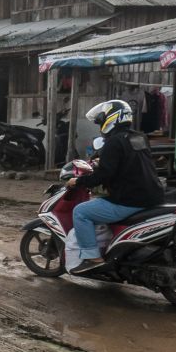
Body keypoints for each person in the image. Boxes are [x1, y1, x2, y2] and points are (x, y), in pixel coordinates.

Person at [65, 99, 164, 273]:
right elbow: (129, 160)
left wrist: (78, 182)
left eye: (102, 120)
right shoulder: (139, 137)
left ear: (112, 119)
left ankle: (92, 257)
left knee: (81, 212)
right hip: (153, 195)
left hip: (129, 200)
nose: (101, 124)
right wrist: (102, 161)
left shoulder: (114, 142)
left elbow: (104, 175)